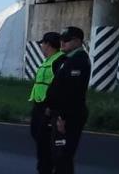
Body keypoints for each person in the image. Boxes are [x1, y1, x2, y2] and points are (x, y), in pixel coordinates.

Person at [45, 26, 90, 174]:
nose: (62, 43)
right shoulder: (69, 59)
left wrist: (63, 117)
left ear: (77, 41)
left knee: (62, 155)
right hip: (60, 113)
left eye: (66, 40)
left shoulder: (79, 60)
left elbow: (72, 92)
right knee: (60, 155)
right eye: (61, 40)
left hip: (68, 116)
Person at [29, 31, 66, 174]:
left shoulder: (59, 61)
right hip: (39, 106)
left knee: (46, 145)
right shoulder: (48, 60)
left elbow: (59, 86)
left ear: (48, 44)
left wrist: (51, 106)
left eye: (42, 44)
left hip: (48, 108)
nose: (41, 47)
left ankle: (46, 169)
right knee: (39, 138)